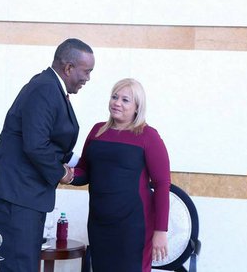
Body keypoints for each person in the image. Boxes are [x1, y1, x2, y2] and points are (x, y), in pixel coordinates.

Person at [0, 38, 95, 272]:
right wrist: (64, 174)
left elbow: (52, 144)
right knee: (20, 266)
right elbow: (36, 145)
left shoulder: (51, 88)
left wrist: (83, 163)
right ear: (69, 67)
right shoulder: (45, 88)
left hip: (23, 195)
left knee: (25, 264)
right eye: (86, 71)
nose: (88, 78)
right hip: (15, 194)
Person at [69, 78, 171, 272]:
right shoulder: (98, 131)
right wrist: (65, 175)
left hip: (133, 227)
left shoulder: (148, 136)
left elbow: (162, 184)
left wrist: (161, 231)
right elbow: (84, 172)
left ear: (137, 107)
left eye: (125, 100)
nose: (117, 103)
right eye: (114, 97)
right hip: (99, 224)